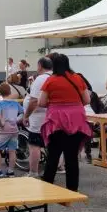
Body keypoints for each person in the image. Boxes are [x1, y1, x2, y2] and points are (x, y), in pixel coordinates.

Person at [39, 53, 92, 191]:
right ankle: (72, 189)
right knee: (72, 157)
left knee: (53, 155)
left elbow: (41, 102)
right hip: (76, 119)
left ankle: (48, 186)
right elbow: (87, 100)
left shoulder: (50, 81)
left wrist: (55, 103)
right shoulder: (78, 78)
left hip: (56, 120)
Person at [22, 57, 53, 177]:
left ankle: (33, 172)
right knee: (52, 145)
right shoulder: (55, 77)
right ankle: (56, 169)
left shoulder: (41, 78)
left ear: (40, 65)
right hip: (51, 116)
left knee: (34, 145)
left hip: (38, 117)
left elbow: (34, 101)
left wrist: (26, 116)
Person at [0, 83, 22, 178]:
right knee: (12, 150)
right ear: (10, 92)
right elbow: (23, 113)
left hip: (4, 130)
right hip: (14, 130)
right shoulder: (15, 103)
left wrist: (1, 123)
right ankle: (10, 171)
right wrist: (16, 120)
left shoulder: (0, 103)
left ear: (0, 93)